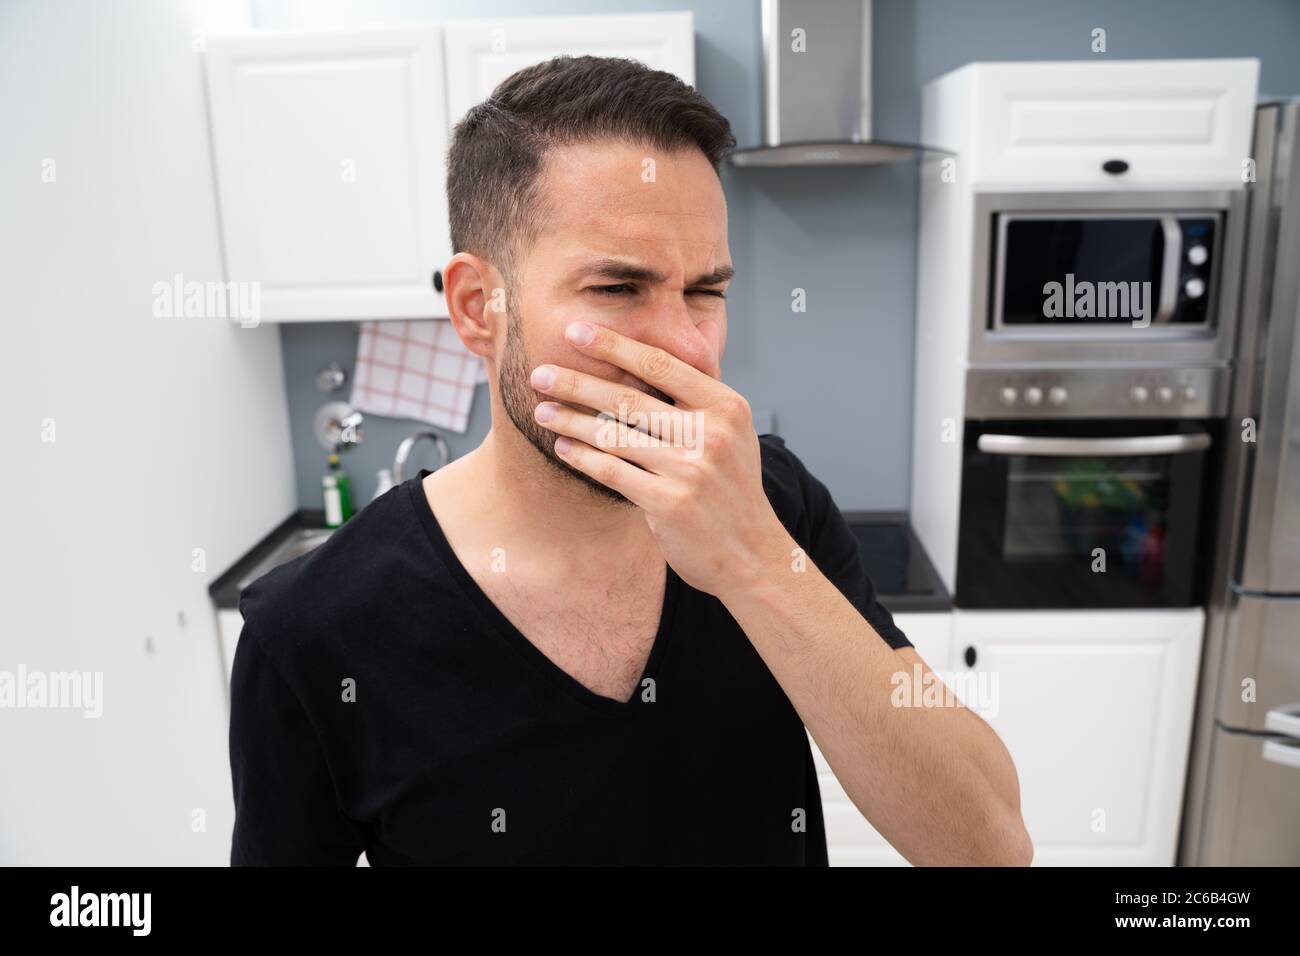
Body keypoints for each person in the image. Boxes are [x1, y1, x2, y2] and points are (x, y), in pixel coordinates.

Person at [229, 55, 1031, 866]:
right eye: (618, 289)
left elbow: (989, 844)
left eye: (707, 291)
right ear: (479, 307)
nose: (688, 344)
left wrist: (757, 564)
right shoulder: (310, 632)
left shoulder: (775, 503)